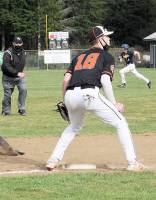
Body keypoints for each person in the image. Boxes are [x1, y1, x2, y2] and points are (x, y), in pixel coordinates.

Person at [46, 26, 145, 172]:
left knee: (73, 127)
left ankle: (53, 160)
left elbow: (66, 80)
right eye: (106, 36)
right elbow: (105, 81)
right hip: (89, 94)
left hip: (70, 95)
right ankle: (132, 163)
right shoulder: (106, 56)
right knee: (121, 122)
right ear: (100, 39)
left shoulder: (78, 57)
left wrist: (66, 102)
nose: (109, 38)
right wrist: (114, 103)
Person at [1, 36, 27, 116]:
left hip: (19, 77)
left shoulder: (24, 52)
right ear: (13, 43)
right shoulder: (7, 53)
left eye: (20, 43)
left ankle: (21, 109)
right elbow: (6, 66)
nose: (18, 45)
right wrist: (17, 73)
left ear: (22, 43)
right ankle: (6, 110)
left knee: (23, 90)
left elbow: (21, 63)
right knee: (7, 95)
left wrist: (20, 72)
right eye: (17, 43)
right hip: (7, 77)